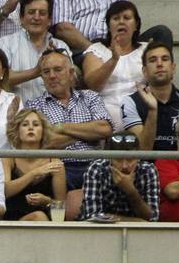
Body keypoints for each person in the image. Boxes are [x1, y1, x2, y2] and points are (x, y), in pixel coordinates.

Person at [25, 49, 114, 189]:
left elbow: (105, 129)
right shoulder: (34, 106)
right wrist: (89, 133)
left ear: (71, 73)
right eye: (46, 72)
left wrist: (61, 127)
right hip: (57, 168)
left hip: (94, 164)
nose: (52, 76)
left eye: (58, 69)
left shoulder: (90, 97)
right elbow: (47, 142)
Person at [82, 1, 150, 135]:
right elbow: (93, 85)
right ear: (108, 25)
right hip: (104, 116)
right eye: (116, 18)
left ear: (136, 25)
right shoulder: (96, 50)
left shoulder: (146, 49)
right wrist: (114, 59)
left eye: (127, 18)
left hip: (140, 111)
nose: (121, 22)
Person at [0, 0, 71, 105]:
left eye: (42, 13)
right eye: (31, 12)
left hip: (56, 116)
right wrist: (35, 72)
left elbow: (73, 82)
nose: (36, 17)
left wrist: (61, 65)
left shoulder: (61, 46)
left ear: (50, 20)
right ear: (21, 18)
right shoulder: (6, 43)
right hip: (18, 116)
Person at [2, 108, 68, 222]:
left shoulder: (54, 162)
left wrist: (46, 201)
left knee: (39, 216)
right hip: (13, 217)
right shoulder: (8, 158)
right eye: (25, 124)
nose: (30, 128)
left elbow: (62, 206)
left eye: (36, 124)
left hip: (46, 215)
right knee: (38, 216)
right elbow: (5, 191)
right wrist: (34, 173)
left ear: (43, 131)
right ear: (17, 130)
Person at [80, 133, 160, 222]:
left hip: (139, 233)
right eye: (118, 159)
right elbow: (92, 216)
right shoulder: (97, 169)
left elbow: (152, 218)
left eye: (130, 159)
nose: (124, 166)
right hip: (102, 232)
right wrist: (136, 221)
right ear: (109, 158)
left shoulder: (148, 170)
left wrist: (132, 192)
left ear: (138, 158)